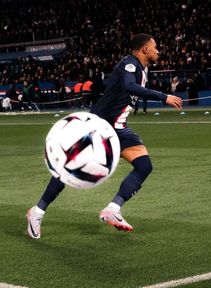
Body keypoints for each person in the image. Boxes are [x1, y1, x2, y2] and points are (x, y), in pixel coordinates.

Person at [26, 33, 182, 239]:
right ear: (145, 49)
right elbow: (128, 86)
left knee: (144, 166)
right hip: (98, 127)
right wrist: (164, 97)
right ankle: (36, 212)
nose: (158, 51)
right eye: (155, 47)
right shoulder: (130, 64)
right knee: (70, 170)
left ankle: (113, 209)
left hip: (118, 129)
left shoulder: (141, 69)